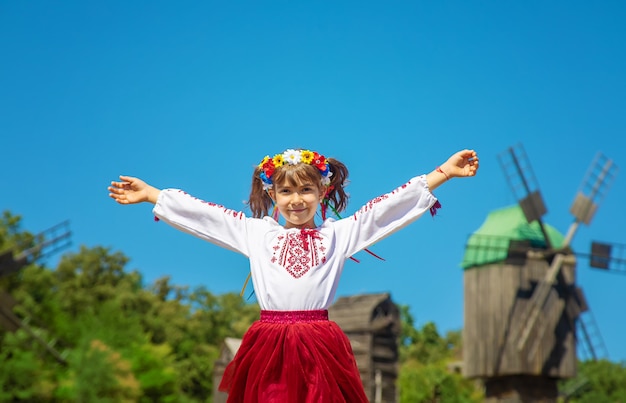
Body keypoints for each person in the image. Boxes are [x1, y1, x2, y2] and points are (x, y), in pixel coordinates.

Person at [108, 148, 479, 402]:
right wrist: (152, 195)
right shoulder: (256, 233)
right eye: (285, 191)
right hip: (269, 343)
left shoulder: (338, 234)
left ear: (323, 191)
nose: (296, 199)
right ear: (272, 193)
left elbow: (381, 212)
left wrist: (442, 173)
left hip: (320, 342)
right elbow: (208, 216)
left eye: (305, 189)